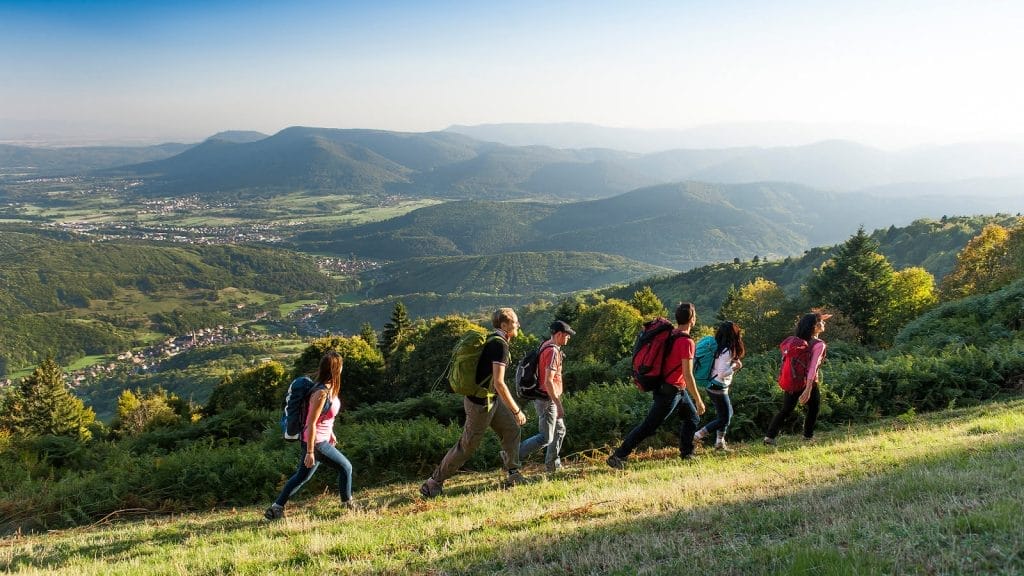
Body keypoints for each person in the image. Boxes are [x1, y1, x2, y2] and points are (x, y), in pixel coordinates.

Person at [420, 308, 528, 498]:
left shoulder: (493, 340)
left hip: (490, 400)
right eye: (515, 322)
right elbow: (500, 383)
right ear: (504, 325)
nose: (518, 325)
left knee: (511, 429)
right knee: (467, 446)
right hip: (480, 405)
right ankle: (433, 483)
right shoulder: (500, 346)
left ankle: (513, 473)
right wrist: (516, 410)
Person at [607, 302, 707, 468]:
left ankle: (687, 453)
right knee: (649, 426)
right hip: (670, 392)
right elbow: (688, 375)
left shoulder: (672, 334)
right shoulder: (687, 343)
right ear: (693, 320)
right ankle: (618, 455)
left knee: (692, 418)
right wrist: (698, 399)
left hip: (676, 389)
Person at [265, 350, 353, 520]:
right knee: (346, 467)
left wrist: (331, 433)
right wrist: (310, 452)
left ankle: (276, 507)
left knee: (302, 477)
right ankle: (348, 504)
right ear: (336, 369)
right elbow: (310, 423)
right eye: (340, 366)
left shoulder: (329, 388)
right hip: (316, 443)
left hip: (320, 439)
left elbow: (324, 418)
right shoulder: (320, 393)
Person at [764, 312, 830, 445]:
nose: (824, 323)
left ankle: (769, 437)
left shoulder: (798, 341)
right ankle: (808, 436)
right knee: (814, 407)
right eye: (821, 322)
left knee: (786, 410)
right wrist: (808, 388)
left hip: (793, 380)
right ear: (815, 326)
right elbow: (813, 367)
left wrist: (818, 317)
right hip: (809, 381)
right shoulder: (819, 344)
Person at [518, 320, 574, 473]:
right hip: (547, 399)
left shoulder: (546, 345)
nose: (569, 338)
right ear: (559, 334)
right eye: (567, 335)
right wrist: (558, 403)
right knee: (545, 437)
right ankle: (512, 455)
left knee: (560, 430)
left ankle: (553, 465)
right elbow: (548, 381)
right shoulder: (553, 351)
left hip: (545, 397)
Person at [693, 321, 746, 451]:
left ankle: (719, 443)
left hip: (712, 385)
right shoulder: (727, 351)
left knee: (726, 414)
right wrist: (735, 366)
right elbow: (722, 373)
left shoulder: (718, 347)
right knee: (725, 417)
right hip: (718, 386)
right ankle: (697, 435)